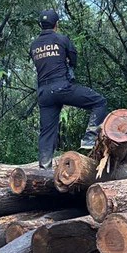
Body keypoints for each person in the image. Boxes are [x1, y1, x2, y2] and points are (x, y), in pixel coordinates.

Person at [30, 9, 107, 169]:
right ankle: (89, 138)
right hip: (62, 87)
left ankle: (44, 168)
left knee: (47, 132)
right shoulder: (62, 39)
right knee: (99, 102)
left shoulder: (34, 45)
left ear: (41, 25)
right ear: (56, 24)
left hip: (44, 93)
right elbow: (73, 59)